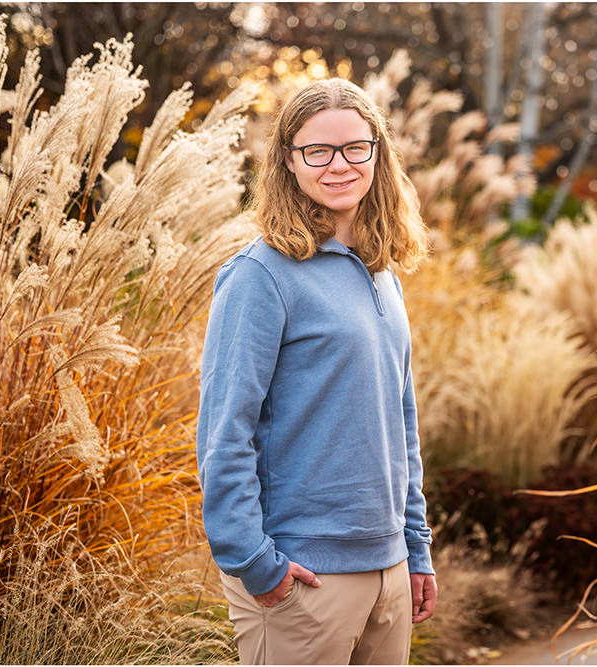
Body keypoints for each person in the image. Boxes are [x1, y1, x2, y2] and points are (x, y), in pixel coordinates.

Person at [195, 78, 436, 665]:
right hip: (303, 578)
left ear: (377, 152)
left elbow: (399, 420)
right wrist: (255, 563)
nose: (339, 165)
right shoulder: (260, 276)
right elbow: (223, 434)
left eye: (355, 147)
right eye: (317, 151)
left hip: (390, 572)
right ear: (288, 160)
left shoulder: (382, 273)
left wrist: (414, 546)